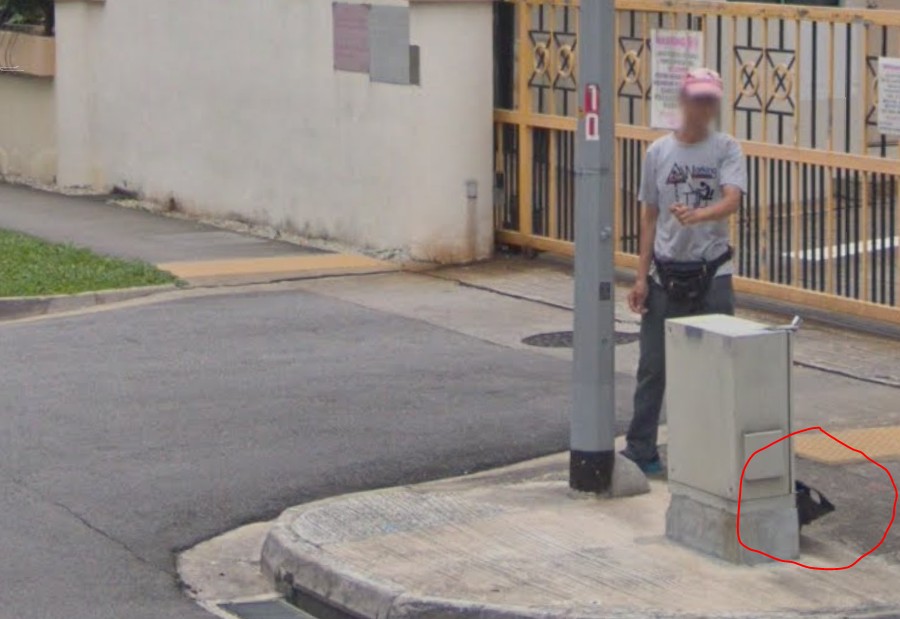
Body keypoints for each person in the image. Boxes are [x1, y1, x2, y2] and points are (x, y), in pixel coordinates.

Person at [621, 67, 747, 475]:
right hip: (665, 272)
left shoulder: (726, 148)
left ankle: (713, 453)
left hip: (712, 269)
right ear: (683, 101)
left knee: (716, 365)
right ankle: (641, 450)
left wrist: (700, 215)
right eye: (697, 98)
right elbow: (648, 217)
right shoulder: (658, 153)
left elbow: (732, 200)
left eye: (710, 100)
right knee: (653, 367)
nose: (703, 107)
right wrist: (640, 276)